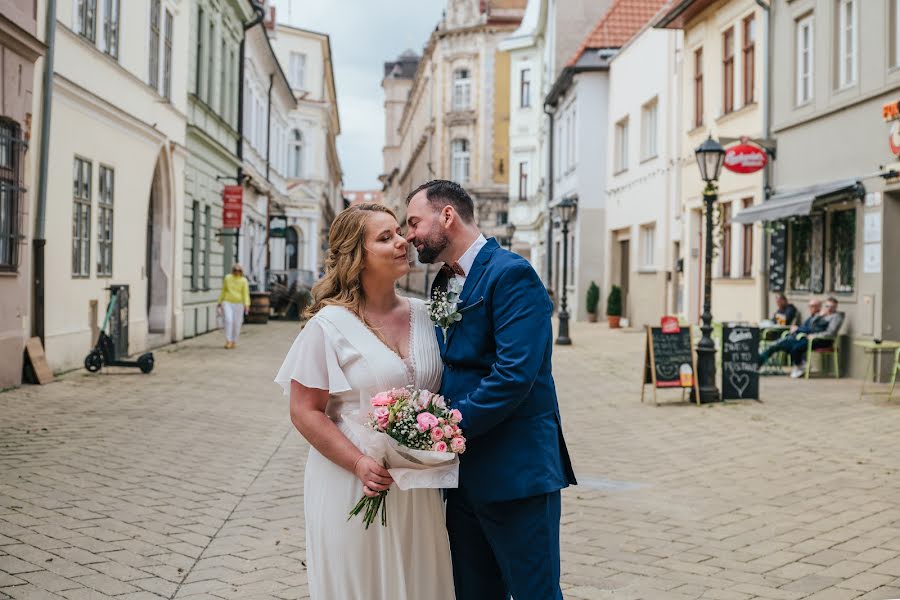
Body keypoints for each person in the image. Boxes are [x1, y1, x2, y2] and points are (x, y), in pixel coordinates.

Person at [405, 180, 576, 600]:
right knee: (473, 591)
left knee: (534, 592)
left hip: (515, 471)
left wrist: (443, 429)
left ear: (446, 215)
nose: (409, 236)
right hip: (460, 476)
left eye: (413, 222)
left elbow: (513, 376)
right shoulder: (442, 283)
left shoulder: (513, 274)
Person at [274, 204, 454, 599]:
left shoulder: (427, 315)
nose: (402, 242)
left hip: (417, 487)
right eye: (385, 237)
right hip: (354, 482)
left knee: (419, 582)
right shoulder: (328, 325)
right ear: (357, 255)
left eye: (399, 233)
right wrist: (359, 463)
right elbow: (304, 410)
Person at [217, 264, 250, 349]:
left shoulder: (244, 280)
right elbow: (223, 290)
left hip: (239, 304)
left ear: (241, 271)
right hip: (227, 302)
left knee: (237, 323)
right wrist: (219, 302)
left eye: (239, 270)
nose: (237, 272)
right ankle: (228, 340)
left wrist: (247, 304)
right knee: (228, 320)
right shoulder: (228, 278)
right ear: (233, 270)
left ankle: (234, 341)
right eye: (235, 270)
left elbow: (245, 293)